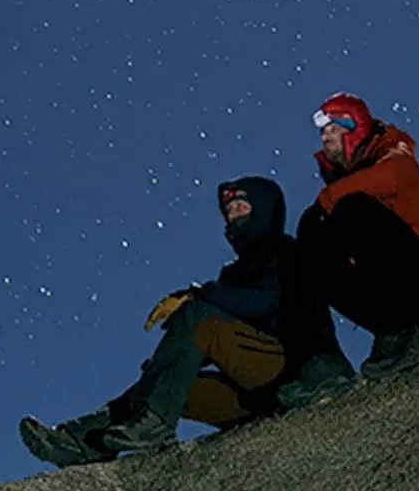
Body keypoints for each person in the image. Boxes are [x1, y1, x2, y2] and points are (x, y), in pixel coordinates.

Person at [20, 175, 307, 467]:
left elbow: (263, 303)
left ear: (264, 210)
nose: (232, 216)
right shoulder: (231, 276)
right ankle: (79, 442)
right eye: (229, 210)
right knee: (163, 382)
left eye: (241, 207)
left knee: (196, 315)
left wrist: (200, 297)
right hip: (252, 400)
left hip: (287, 376)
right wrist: (167, 361)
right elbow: (220, 341)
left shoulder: (284, 252)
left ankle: (155, 427)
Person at [276, 91, 419, 410]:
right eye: (322, 131)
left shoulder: (394, 153)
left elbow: (393, 174)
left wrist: (326, 203)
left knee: (350, 207)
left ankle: (396, 332)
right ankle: (325, 362)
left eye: (332, 128)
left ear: (355, 126)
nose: (324, 137)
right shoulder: (348, 185)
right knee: (307, 241)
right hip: (394, 298)